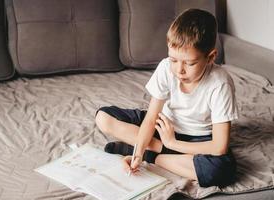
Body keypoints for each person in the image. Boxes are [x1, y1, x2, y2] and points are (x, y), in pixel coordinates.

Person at [95, 8, 238, 187]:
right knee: (103, 117)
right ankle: (154, 151)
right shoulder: (165, 68)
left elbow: (219, 146)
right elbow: (151, 117)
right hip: (164, 127)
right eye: (173, 60)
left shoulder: (220, 83)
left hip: (198, 139)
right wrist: (137, 154)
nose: (179, 70)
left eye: (190, 63)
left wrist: (173, 143)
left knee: (221, 171)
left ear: (210, 57)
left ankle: (153, 155)